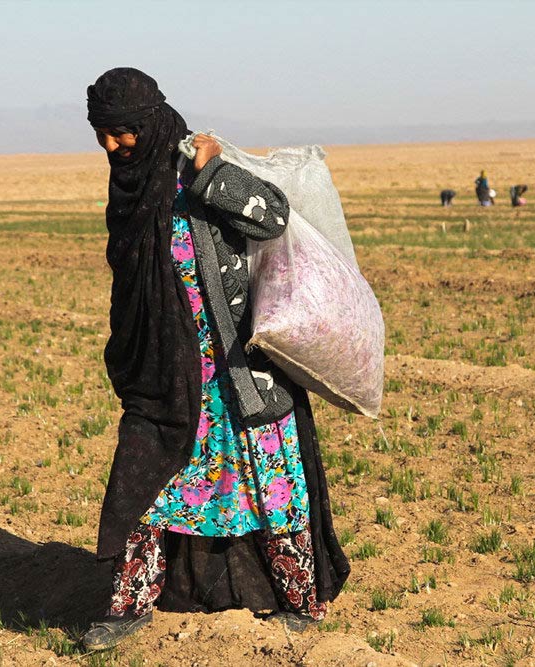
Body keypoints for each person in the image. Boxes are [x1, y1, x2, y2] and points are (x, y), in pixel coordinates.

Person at [81, 67, 349, 651]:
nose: (111, 146)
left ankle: (302, 602)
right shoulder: (127, 190)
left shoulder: (195, 165)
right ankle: (127, 606)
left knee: (272, 485)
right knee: (146, 483)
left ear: (149, 124)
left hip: (236, 371)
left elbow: (272, 216)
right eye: (101, 132)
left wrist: (214, 177)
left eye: (122, 132)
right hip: (166, 375)